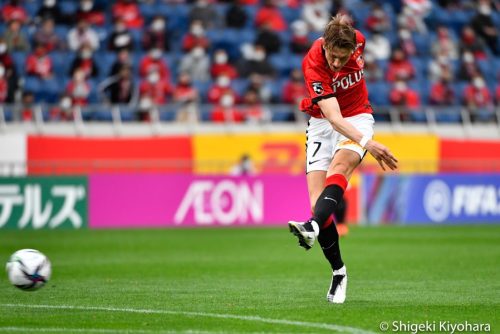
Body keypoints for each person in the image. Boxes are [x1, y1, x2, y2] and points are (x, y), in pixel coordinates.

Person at [287, 14, 398, 304]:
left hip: (359, 115)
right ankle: (339, 272)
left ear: (354, 49)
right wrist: (369, 144)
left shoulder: (358, 40)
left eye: (342, 57)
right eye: (333, 57)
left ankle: (311, 226)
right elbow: (334, 118)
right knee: (316, 203)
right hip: (324, 122)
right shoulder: (314, 62)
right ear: (325, 47)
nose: (337, 63)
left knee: (341, 166)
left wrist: (364, 137)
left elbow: (346, 26)